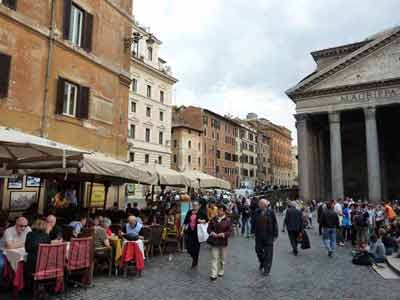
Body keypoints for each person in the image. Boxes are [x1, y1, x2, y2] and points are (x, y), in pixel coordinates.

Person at [0, 217, 31, 287]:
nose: (23, 228)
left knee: (29, 262)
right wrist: (24, 243)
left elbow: (29, 242)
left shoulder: (28, 229)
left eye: (25, 226)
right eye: (21, 226)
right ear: (16, 224)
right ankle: (2, 284)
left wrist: (15, 245)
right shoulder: (9, 231)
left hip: (17, 252)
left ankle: (22, 284)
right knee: (1, 264)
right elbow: (9, 246)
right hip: (2, 250)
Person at [252, 199, 278, 276]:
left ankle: (267, 269)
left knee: (269, 254)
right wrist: (252, 232)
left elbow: (275, 223)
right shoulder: (257, 212)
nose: (259, 205)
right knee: (258, 250)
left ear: (264, 205)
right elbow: (253, 222)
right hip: (259, 235)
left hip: (269, 236)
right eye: (259, 204)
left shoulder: (271, 212)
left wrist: (275, 235)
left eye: (260, 204)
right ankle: (262, 262)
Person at [207, 204, 232, 281]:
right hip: (214, 241)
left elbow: (230, 231)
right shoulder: (213, 219)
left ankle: (221, 269)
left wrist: (224, 234)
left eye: (220, 210)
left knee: (222, 258)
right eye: (218, 210)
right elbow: (209, 228)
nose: (218, 211)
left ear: (224, 211)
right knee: (214, 258)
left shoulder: (228, 220)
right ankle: (213, 274)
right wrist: (211, 232)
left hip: (223, 242)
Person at [25, 220, 51, 286]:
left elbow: (27, 249)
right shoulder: (47, 236)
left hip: (33, 266)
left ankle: (26, 285)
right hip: (44, 265)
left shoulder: (30, 234)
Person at [183, 200, 208, 268]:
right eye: (193, 205)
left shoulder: (201, 212)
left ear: (199, 206)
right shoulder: (190, 212)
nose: (194, 206)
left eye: (196, 205)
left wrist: (202, 221)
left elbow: (207, 220)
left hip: (198, 232)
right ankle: (194, 257)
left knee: (196, 247)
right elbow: (186, 220)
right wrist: (184, 227)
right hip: (190, 231)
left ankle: (195, 260)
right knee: (188, 247)